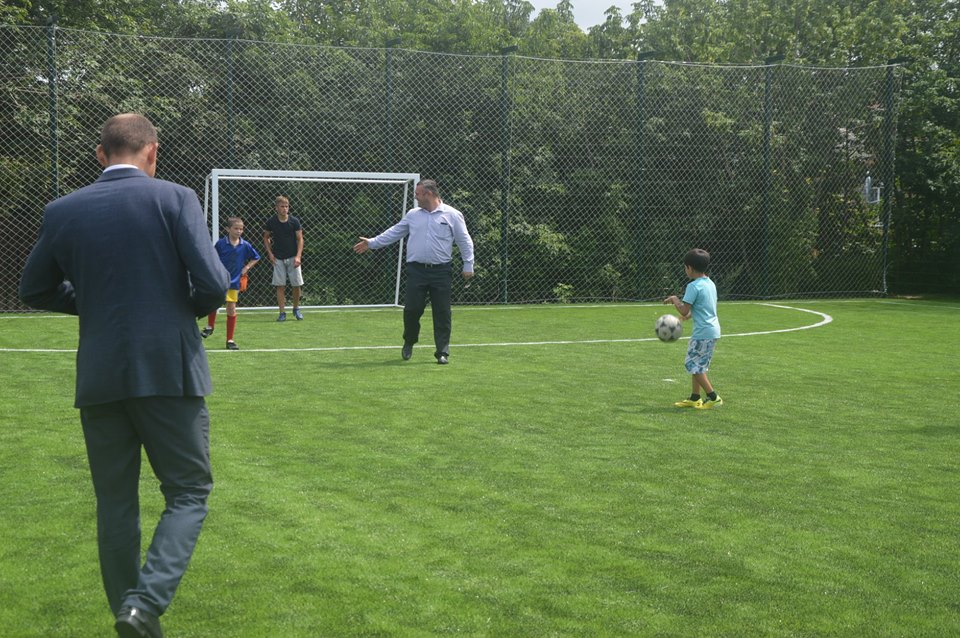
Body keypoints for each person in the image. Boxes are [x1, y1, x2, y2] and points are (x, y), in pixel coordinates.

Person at [18, 113, 229, 638]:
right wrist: (181, 307)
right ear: (153, 152)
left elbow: (34, 289)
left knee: (115, 504)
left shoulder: (62, 210)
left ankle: (130, 616)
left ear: (99, 154)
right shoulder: (175, 198)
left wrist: (91, 302)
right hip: (168, 370)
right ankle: (145, 605)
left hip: (100, 375)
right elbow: (212, 280)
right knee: (187, 492)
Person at [353, 179, 474, 364]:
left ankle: (442, 352)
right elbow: (394, 232)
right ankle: (409, 341)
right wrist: (372, 243)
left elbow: (464, 241)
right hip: (416, 271)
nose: (415, 197)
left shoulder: (452, 215)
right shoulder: (413, 215)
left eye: (418, 194)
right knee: (411, 310)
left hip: (441, 272)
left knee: (442, 312)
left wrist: (468, 264)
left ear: (428, 194)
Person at [663, 248, 722, 409]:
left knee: (692, 365)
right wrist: (686, 317)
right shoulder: (710, 283)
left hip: (703, 332)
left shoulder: (693, 286)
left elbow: (684, 309)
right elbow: (703, 307)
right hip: (712, 330)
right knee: (699, 365)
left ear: (689, 268)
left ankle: (713, 397)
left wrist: (675, 299)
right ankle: (695, 398)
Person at [201, 216, 260, 350]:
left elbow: (256, 257)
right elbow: (213, 259)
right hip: (220, 279)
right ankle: (210, 326)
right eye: (236, 228)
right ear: (228, 229)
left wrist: (246, 268)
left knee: (231, 308)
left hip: (234, 282)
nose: (239, 231)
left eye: (241, 229)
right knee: (213, 303)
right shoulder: (221, 244)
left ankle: (230, 340)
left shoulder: (245, 245)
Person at [262, 195, 304, 322]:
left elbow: (300, 239)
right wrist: (270, 253)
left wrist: (298, 256)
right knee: (280, 285)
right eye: (282, 206)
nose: (285, 209)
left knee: (296, 285)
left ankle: (296, 308)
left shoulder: (294, 221)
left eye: (286, 206)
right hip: (278, 258)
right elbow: (266, 237)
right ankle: (282, 312)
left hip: (293, 257)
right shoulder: (271, 222)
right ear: (276, 208)